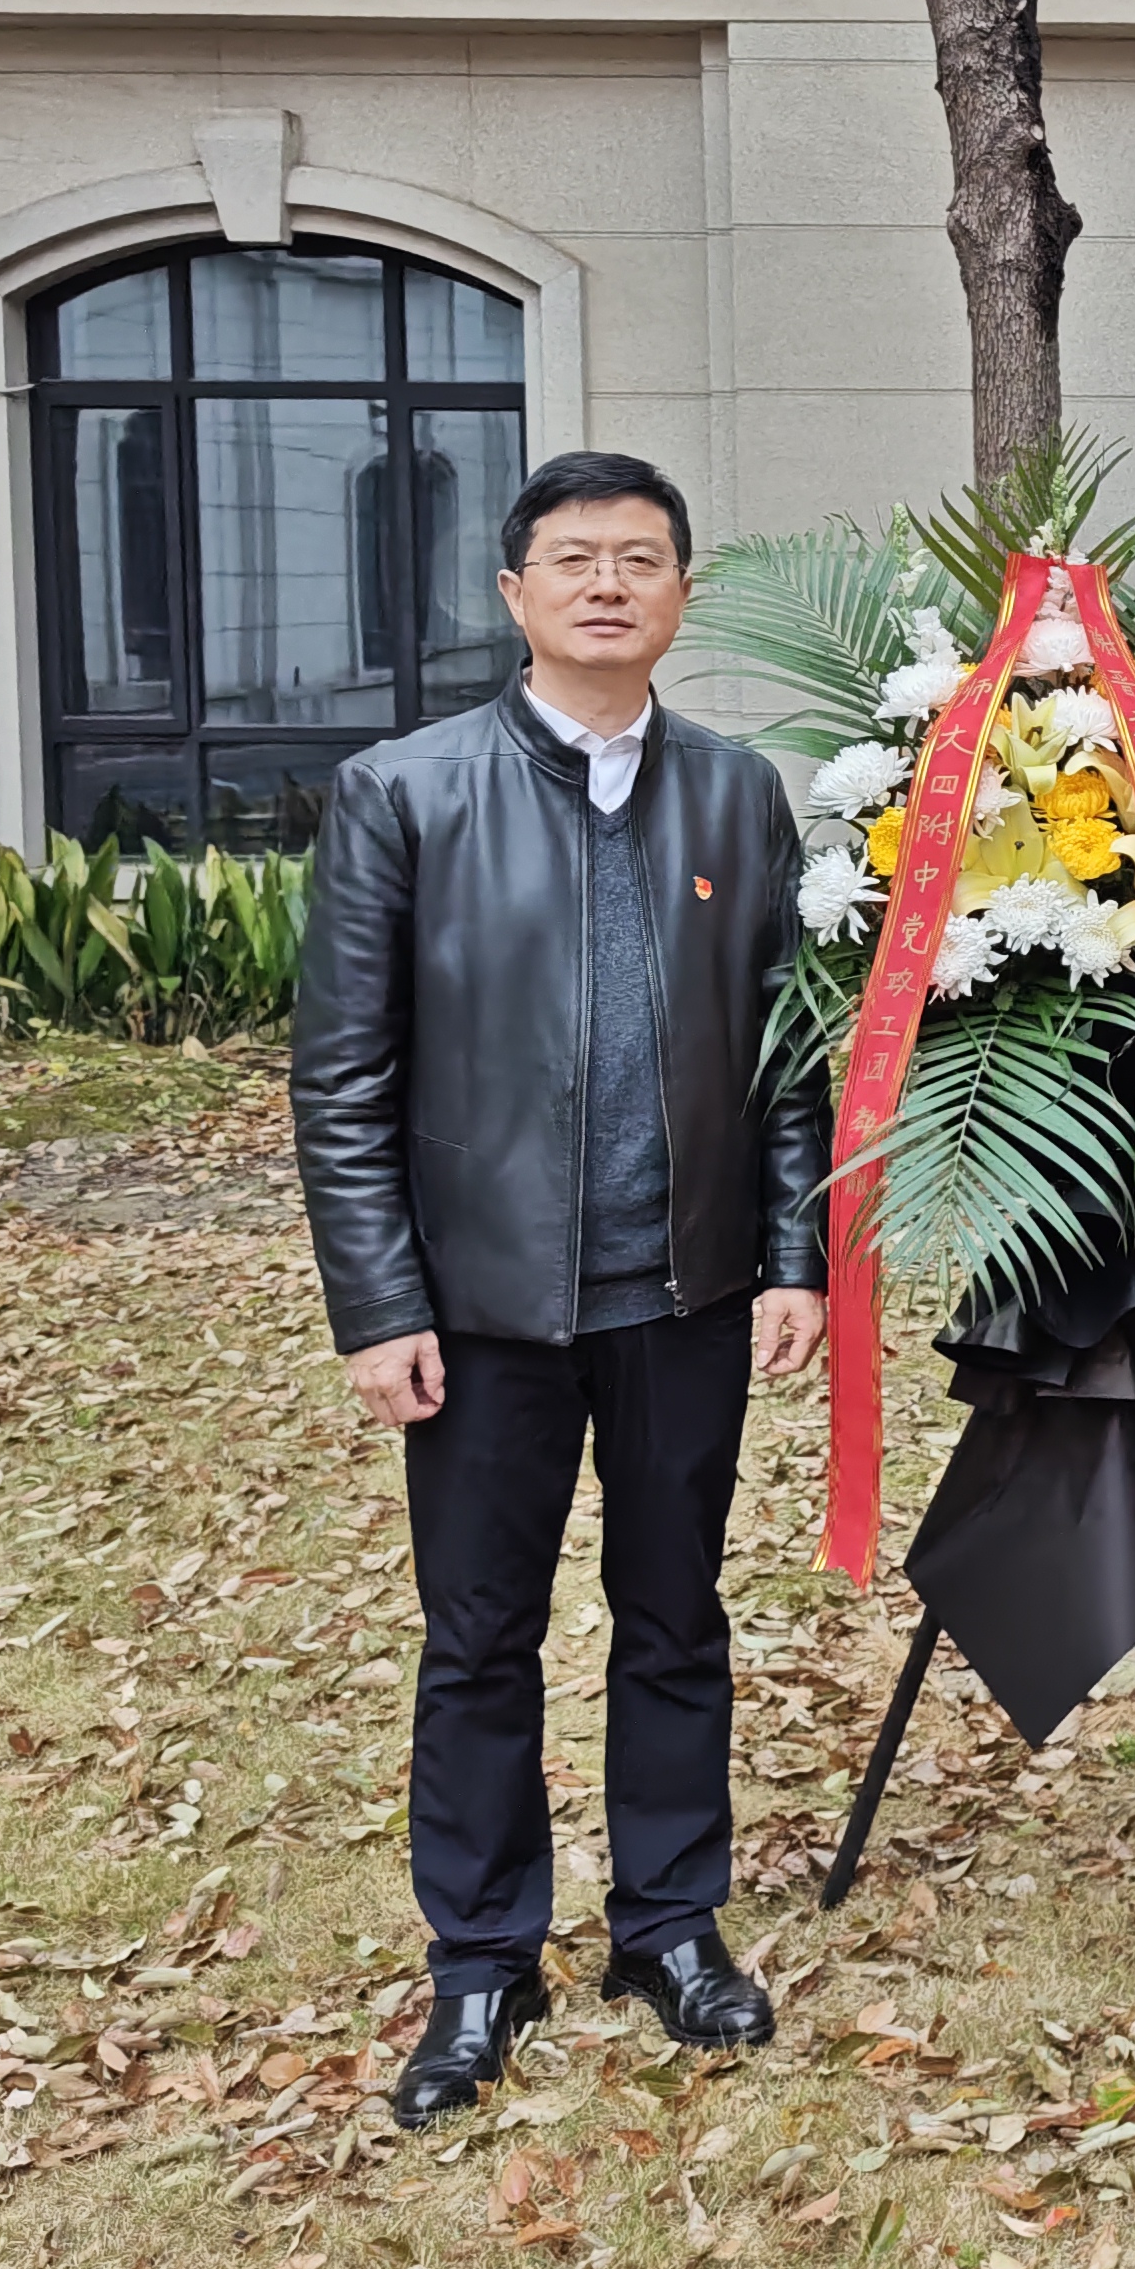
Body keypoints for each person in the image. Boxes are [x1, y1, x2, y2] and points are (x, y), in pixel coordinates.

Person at [294, 449, 831, 2125]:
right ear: (515, 594)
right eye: (576, 559)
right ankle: (480, 1960)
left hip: (680, 1297)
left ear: (682, 593)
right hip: (480, 1311)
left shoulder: (738, 797)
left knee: (676, 1618)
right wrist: (382, 1305)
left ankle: (669, 1925)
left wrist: (796, 1255)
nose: (610, 584)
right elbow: (343, 1079)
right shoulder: (406, 793)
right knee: (480, 1638)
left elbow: (789, 1060)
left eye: (643, 559)